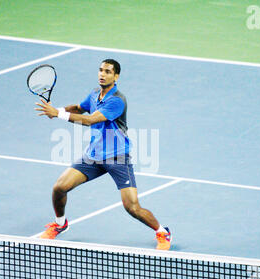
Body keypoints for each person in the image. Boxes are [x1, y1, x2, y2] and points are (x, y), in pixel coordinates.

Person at [34, 59, 171, 250]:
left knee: (132, 207)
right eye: (100, 70)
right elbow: (80, 108)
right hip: (94, 156)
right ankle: (60, 223)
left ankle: (162, 232)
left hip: (117, 157)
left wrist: (58, 115)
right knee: (59, 187)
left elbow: (90, 120)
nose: (102, 74)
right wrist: (59, 110)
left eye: (107, 71)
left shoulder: (117, 101)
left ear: (116, 76)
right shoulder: (94, 94)